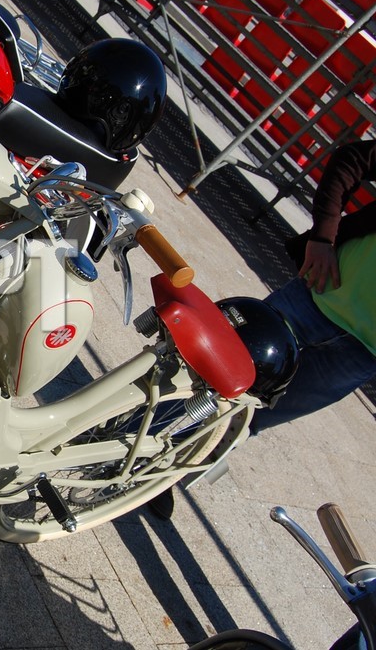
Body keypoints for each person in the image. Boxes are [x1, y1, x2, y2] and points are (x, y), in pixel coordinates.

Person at [148, 139, 376, 520]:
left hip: (360, 355)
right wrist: (323, 237)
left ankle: (158, 475)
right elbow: (351, 159)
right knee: (208, 374)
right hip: (320, 294)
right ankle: (116, 436)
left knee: (252, 418)